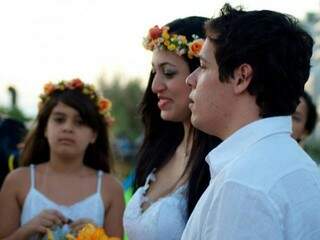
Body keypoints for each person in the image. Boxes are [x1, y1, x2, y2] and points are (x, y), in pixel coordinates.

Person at [182, 4, 320, 240]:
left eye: (203, 66)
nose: (190, 79)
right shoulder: (303, 169)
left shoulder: (243, 185)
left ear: (242, 77)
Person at [123, 17, 221, 240]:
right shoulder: (158, 149)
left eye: (168, 73)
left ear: (201, 73)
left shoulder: (220, 162)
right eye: (153, 72)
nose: (155, 86)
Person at [0, 78, 125, 239]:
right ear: (45, 128)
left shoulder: (111, 188)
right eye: (59, 119)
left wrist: (97, 235)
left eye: (79, 122)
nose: (67, 128)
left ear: (94, 134)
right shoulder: (17, 181)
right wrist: (29, 228)